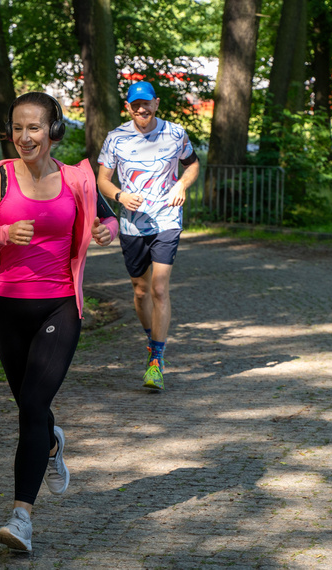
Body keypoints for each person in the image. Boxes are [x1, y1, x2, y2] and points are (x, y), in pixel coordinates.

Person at [0, 92, 118, 553]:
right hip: (9, 308)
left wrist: (105, 230)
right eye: (17, 127)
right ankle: (50, 442)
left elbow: (102, 222)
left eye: (34, 127)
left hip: (60, 306)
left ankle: (21, 517)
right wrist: (1, 235)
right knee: (31, 410)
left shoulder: (77, 179)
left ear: (53, 130)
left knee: (32, 403)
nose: (24, 136)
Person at [96, 81, 199, 391]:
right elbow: (102, 179)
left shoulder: (175, 133)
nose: (141, 109)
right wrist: (119, 196)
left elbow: (193, 165)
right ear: (129, 107)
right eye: (135, 105)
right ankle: (151, 338)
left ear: (156, 103)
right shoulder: (116, 138)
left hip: (167, 219)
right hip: (132, 226)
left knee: (159, 287)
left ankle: (156, 358)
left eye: (146, 103)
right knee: (141, 291)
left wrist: (182, 185)